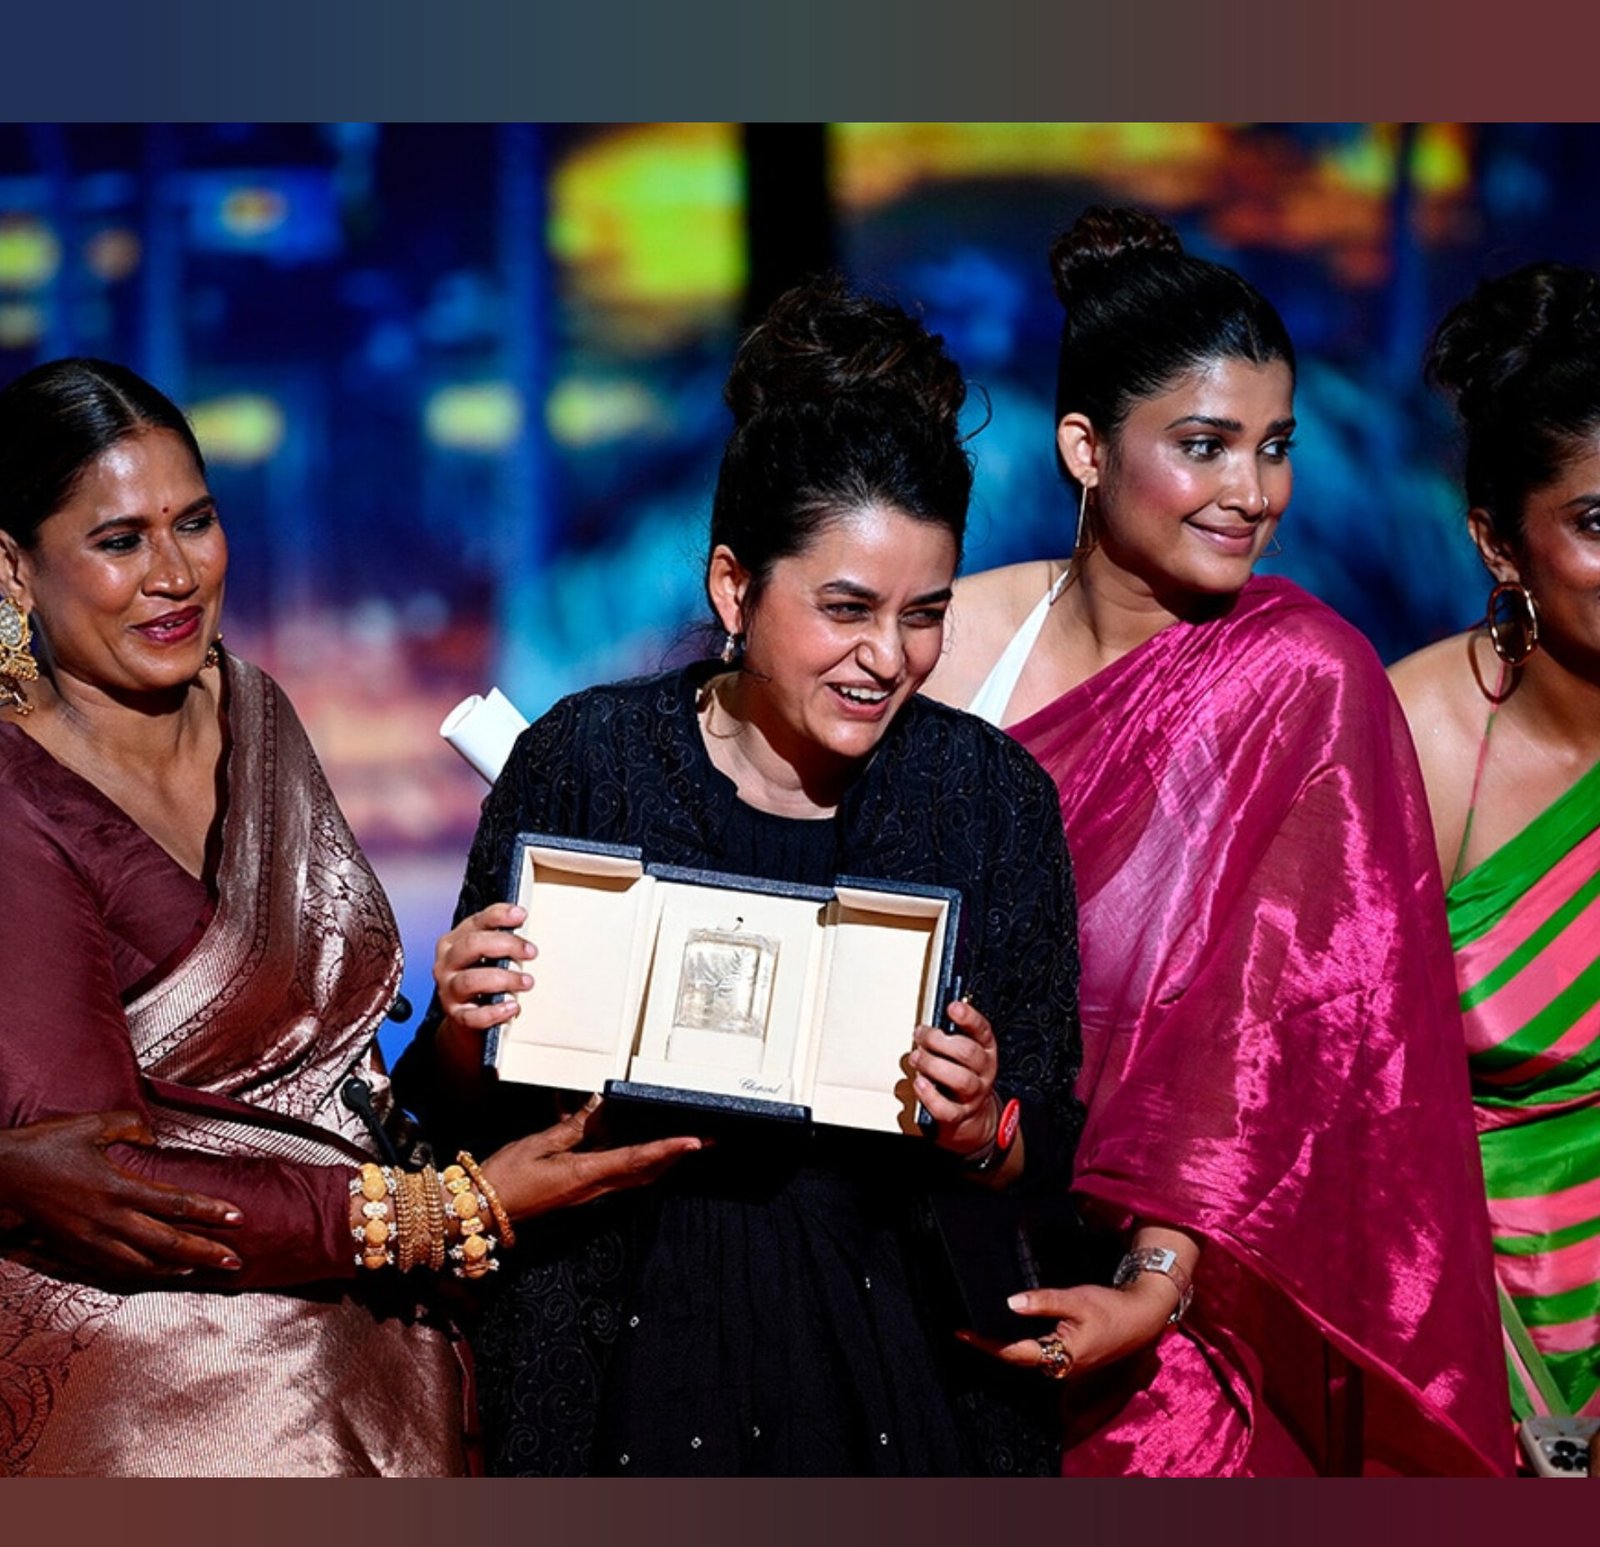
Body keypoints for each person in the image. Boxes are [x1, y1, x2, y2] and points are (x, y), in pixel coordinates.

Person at [394, 281, 1083, 1476]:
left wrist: (982, 1125)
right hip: (609, 1346)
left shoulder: (990, 800)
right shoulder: (586, 760)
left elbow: (1048, 1148)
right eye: (845, 609)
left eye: (924, 614)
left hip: (898, 1359)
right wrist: (463, 1025)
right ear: (733, 587)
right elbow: (455, 1111)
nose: (888, 656)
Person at [0, 357, 697, 1476]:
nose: (175, 574)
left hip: (373, 1335)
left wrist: (463, 1030)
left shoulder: (253, 706)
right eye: (120, 541)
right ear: (13, 568)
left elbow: (337, 1084)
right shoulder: (18, 794)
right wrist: (446, 1212)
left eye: (196, 522)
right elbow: (118, 1192)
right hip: (172, 1394)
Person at [923, 206, 1509, 1475]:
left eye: (1274, 447)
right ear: (1084, 448)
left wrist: (1154, 1281)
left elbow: (1271, 1048)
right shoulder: (951, 643)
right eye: (1205, 446)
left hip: (1172, 1335)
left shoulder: (1304, 682)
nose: (1253, 494)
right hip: (917, 1277)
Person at [1390, 263, 1600, 1444]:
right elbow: (1337, 1102)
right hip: (1473, 1341)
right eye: (1596, 523)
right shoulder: (1410, 738)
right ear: (1498, 542)